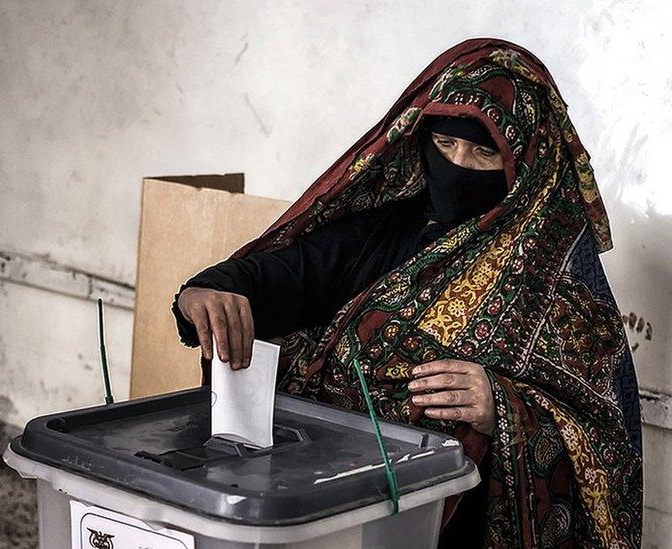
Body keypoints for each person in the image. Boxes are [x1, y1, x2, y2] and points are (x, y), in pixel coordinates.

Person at [172, 38, 643, 548]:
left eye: (484, 152)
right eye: (445, 145)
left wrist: (504, 408)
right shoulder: (385, 230)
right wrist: (208, 291)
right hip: (337, 509)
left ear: (521, 166)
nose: (458, 164)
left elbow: (604, 443)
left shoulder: (561, 281)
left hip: (455, 525)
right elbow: (284, 275)